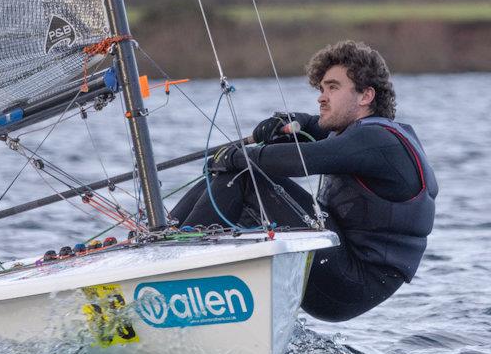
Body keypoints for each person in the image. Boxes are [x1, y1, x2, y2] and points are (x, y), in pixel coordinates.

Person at [171, 40, 437, 322]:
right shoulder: (356, 133)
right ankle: (163, 239)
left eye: (333, 88)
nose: (322, 97)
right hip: (337, 265)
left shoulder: (379, 142)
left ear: (365, 96)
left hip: (352, 281)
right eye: (321, 89)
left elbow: (304, 160)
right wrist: (286, 121)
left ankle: (175, 269)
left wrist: (239, 157)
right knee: (225, 179)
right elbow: (313, 127)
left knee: (245, 176)